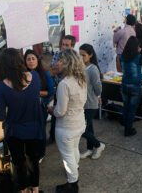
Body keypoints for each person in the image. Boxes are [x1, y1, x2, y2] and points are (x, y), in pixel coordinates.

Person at [0, 48, 46, 193]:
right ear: (20, 61)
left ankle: (24, 189)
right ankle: (35, 189)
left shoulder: (1, 86)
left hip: (15, 130)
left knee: (19, 163)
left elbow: (1, 117)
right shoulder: (35, 76)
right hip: (34, 127)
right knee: (33, 160)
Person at [47, 49, 87, 193]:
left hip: (67, 127)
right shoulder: (81, 79)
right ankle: (74, 176)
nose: (57, 63)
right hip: (79, 123)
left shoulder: (65, 84)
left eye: (60, 60)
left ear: (67, 63)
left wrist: (51, 110)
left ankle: (72, 184)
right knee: (74, 150)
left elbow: (60, 111)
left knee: (68, 156)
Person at [120, 36, 142, 136]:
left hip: (124, 84)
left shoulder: (122, 56)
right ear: (136, 47)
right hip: (135, 86)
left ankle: (126, 124)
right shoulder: (138, 57)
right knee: (132, 109)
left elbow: (122, 66)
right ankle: (128, 129)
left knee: (126, 106)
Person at [79, 44, 105, 159]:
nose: (81, 57)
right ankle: (90, 149)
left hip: (90, 104)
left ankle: (99, 145)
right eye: (79, 55)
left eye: (83, 55)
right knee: (89, 128)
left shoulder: (93, 69)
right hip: (82, 103)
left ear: (90, 55)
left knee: (82, 129)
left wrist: (97, 96)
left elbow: (98, 88)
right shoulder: (81, 67)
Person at [49, 35, 76, 144]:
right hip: (59, 90)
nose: (63, 47)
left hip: (71, 92)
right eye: (62, 44)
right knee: (56, 113)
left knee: (68, 115)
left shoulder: (75, 57)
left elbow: (74, 74)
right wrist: (64, 68)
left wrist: (61, 68)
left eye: (66, 45)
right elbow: (54, 70)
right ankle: (53, 137)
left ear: (73, 46)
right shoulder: (57, 54)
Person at [24, 49, 55, 124]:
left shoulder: (45, 74)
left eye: (33, 59)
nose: (31, 61)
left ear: (37, 60)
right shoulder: (23, 75)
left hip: (42, 107)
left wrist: (37, 93)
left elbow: (51, 91)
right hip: (27, 109)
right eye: (28, 59)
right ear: (25, 62)